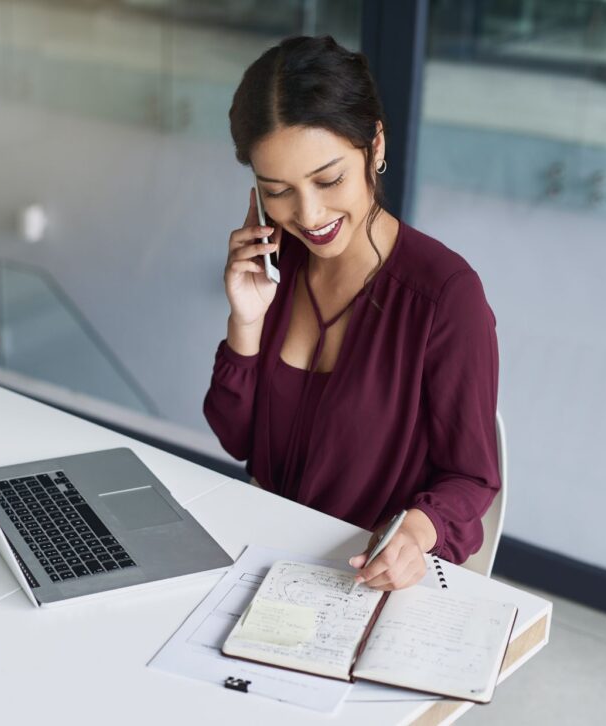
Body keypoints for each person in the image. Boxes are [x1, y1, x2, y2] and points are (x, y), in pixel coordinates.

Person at [203, 36, 500, 591]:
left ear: (375, 146)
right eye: (279, 191)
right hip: (255, 553)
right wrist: (245, 321)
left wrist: (415, 532)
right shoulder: (278, 265)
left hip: (356, 579)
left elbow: (472, 477)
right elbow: (237, 440)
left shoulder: (446, 296)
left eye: (329, 179)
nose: (309, 215)